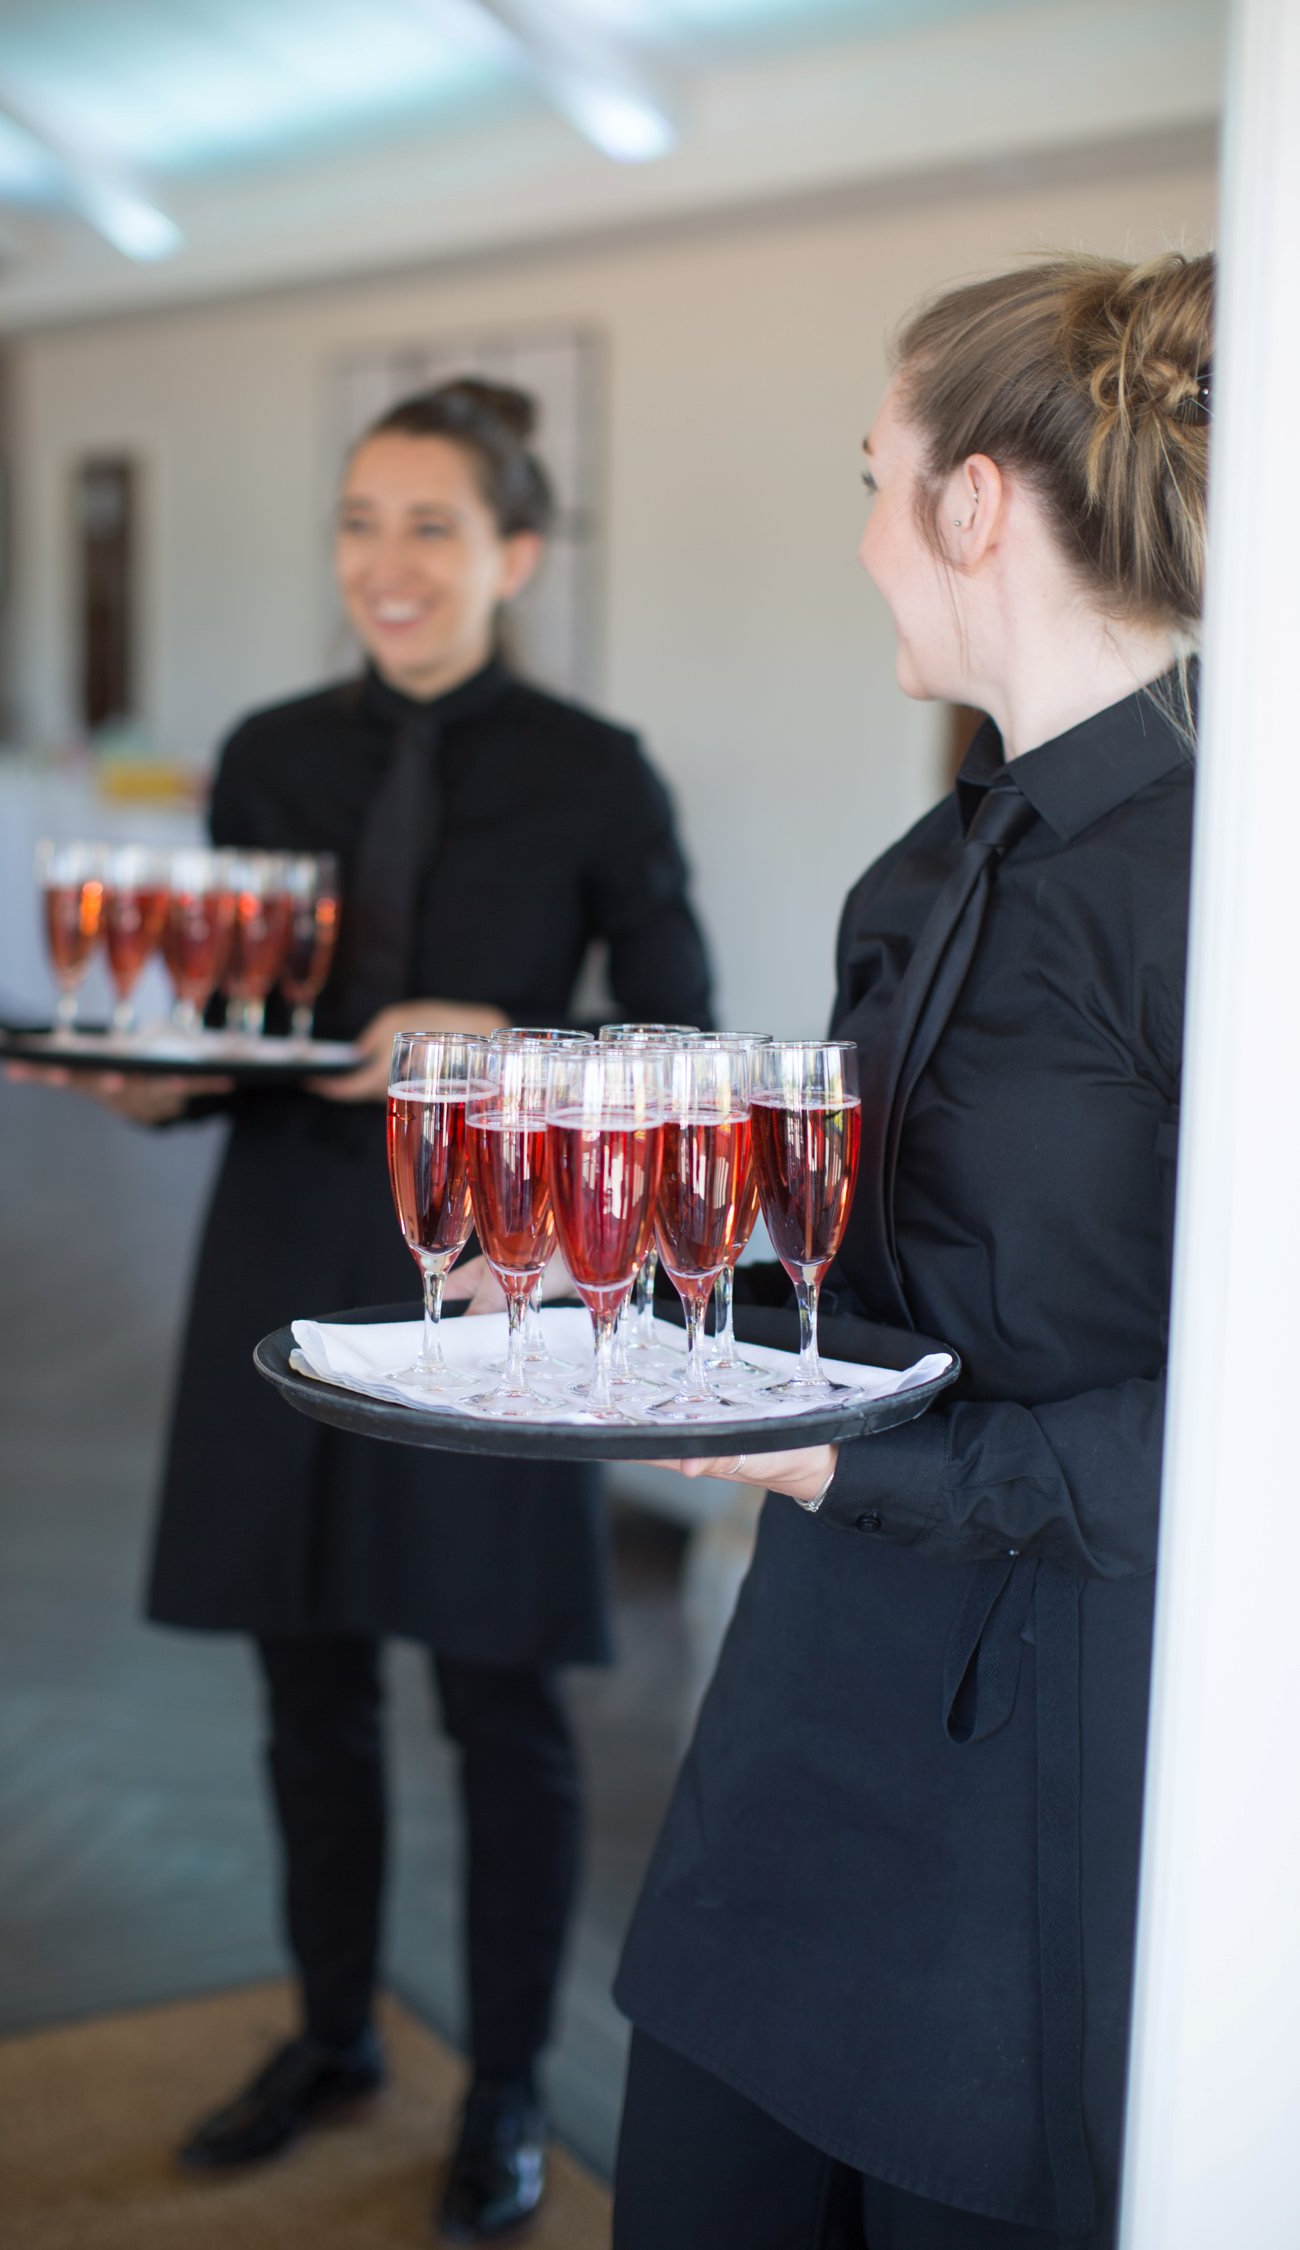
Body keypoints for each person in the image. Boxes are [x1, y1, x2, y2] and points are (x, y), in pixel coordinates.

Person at [20, 378, 711, 2241]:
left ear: (515, 553)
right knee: (304, 1680)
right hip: (285, 1249)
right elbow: (246, 1033)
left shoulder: (597, 771)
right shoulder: (265, 754)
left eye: (429, 526)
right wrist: (163, 1083)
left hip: (491, 1277)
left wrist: (502, 1037)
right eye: (357, 523)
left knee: (502, 1697)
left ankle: (505, 2086)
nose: (383, 564)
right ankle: (333, 2034)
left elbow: (680, 1036)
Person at [606, 252, 1211, 2247]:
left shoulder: (1232, 887)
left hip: (1058, 1766)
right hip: (803, 1697)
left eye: (874, 483)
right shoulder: (919, 873)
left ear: (970, 504)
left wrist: (866, 1464)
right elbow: (862, 1282)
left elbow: (1251, 1433)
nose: (865, 542)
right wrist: (630, 1288)